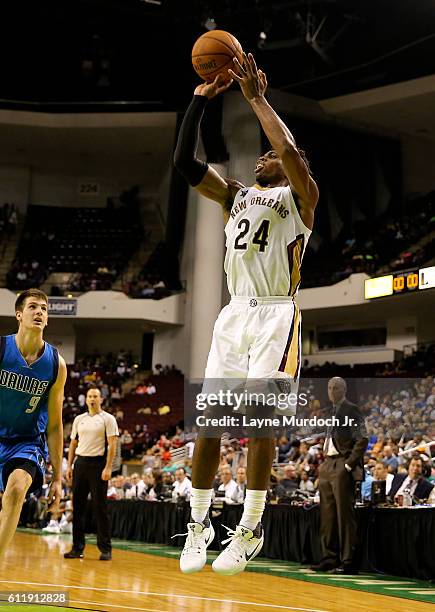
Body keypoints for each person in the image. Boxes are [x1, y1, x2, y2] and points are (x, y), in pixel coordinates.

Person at [173, 52, 318, 575]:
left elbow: (291, 153)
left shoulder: (301, 199)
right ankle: (199, 523)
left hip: (276, 315)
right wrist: (198, 102)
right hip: (233, 316)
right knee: (209, 427)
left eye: (270, 155)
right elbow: (185, 165)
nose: (262, 157)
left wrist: (257, 100)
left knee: (259, 427)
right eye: (259, 156)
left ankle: (251, 527)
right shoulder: (234, 195)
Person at [0, 288, 66, 557]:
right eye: (33, 307)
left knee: (16, 489)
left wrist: (59, 478)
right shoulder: (1, 348)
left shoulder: (55, 365)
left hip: (26, 443)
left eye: (44, 309)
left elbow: (54, 424)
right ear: (19, 314)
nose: (39, 312)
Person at [311, 377, 368, 575]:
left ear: (343, 390)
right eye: (329, 387)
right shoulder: (331, 411)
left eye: (335, 387)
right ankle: (329, 557)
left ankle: (348, 560)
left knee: (344, 516)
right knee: (327, 516)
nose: (331, 390)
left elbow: (362, 438)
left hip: (342, 464)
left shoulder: (352, 409)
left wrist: (349, 464)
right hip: (327, 464)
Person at [64, 387, 119, 561]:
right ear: (86, 399)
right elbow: (73, 444)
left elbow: (112, 445)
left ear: (101, 399)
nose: (92, 399)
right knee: (77, 508)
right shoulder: (79, 419)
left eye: (95, 396)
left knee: (99, 508)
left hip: (98, 465)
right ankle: (77, 547)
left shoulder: (108, 419)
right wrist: (69, 466)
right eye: (89, 396)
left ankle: (105, 548)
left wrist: (108, 467)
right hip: (80, 464)